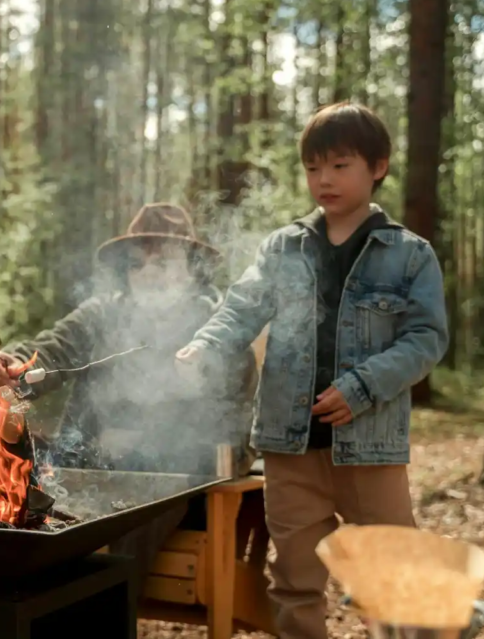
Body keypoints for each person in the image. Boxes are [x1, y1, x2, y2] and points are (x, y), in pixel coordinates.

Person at [175, 102, 449, 639]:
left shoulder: (410, 255)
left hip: (370, 447)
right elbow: (241, 308)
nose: (323, 179)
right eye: (312, 167)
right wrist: (205, 345)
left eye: (340, 165)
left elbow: (426, 339)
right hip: (288, 446)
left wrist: (364, 386)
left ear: (378, 166)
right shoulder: (284, 246)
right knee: (296, 581)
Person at [0, 202, 260, 585]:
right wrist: (15, 365)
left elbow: (230, 428)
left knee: (130, 504)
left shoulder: (216, 328)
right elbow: (51, 350)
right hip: (85, 465)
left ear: (192, 271)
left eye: (162, 263)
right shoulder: (101, 315)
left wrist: (142, 441)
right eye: (135, 264)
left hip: (178, 485)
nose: (148, 274)